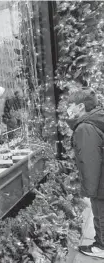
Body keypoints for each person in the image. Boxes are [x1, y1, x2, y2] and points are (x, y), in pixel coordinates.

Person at [67, 89, 104, 259]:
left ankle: (101, 246)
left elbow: (90, 162)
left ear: (81, 106)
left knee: (101, 213)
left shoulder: (85, 127)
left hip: (100, 182)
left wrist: (90, 190)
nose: (69, 108)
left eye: (71, 105)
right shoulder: (96, 120)